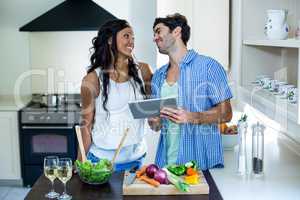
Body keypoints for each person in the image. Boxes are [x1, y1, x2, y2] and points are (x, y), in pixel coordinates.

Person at [148, 13, 233, 170]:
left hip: (200, 166)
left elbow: (226, 113)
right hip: (166, 166)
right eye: (154, 34)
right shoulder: (158, 76)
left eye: (158, 31)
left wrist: (192, 116)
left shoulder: (209, 67)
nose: (155, 38)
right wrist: (154, 120)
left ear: (176, 31)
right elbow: (156, 127)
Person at [78, 19, 152, 172]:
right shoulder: (92, 79)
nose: (131, 41)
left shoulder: (144, 71)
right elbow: (86, 126)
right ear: (110, 40)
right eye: (126, 36)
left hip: (137, 160)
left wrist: (157, 118)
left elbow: (153, 120)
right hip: (101, 163)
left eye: (133, 38)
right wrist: (80, 163)